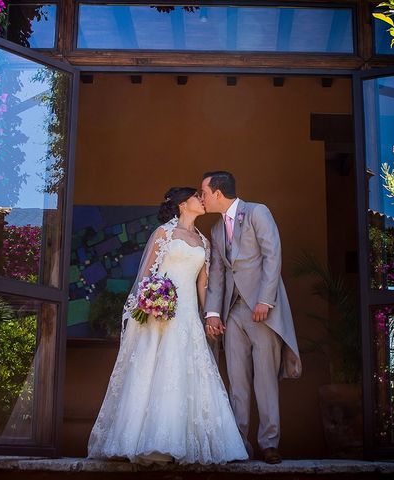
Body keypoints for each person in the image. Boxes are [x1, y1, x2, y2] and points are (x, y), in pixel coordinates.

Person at [87, 187, 248, 465]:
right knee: (153, 372)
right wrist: (150, 301)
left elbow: (203, 285)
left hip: (187, 316)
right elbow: (146, 275)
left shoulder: (203, 241)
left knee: (188, 371)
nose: (202, 199)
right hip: (159, 314)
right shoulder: (164, 233)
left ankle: (186, 442)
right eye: (197, 196)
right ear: (182, 204)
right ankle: (149, 441)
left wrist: (210, 314)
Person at [201, 171, 302, 465]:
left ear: (218, 193)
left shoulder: (257, 212)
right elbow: (218, 273)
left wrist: (264, 300)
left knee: (265, 380)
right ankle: (239, 445)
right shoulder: (217, 230)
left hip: (262, 313)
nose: (202, 197)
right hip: (233, 313)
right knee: (237, 382)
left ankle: (268, 444)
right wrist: (213, 313)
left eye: (204, 192)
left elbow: (273, 256)